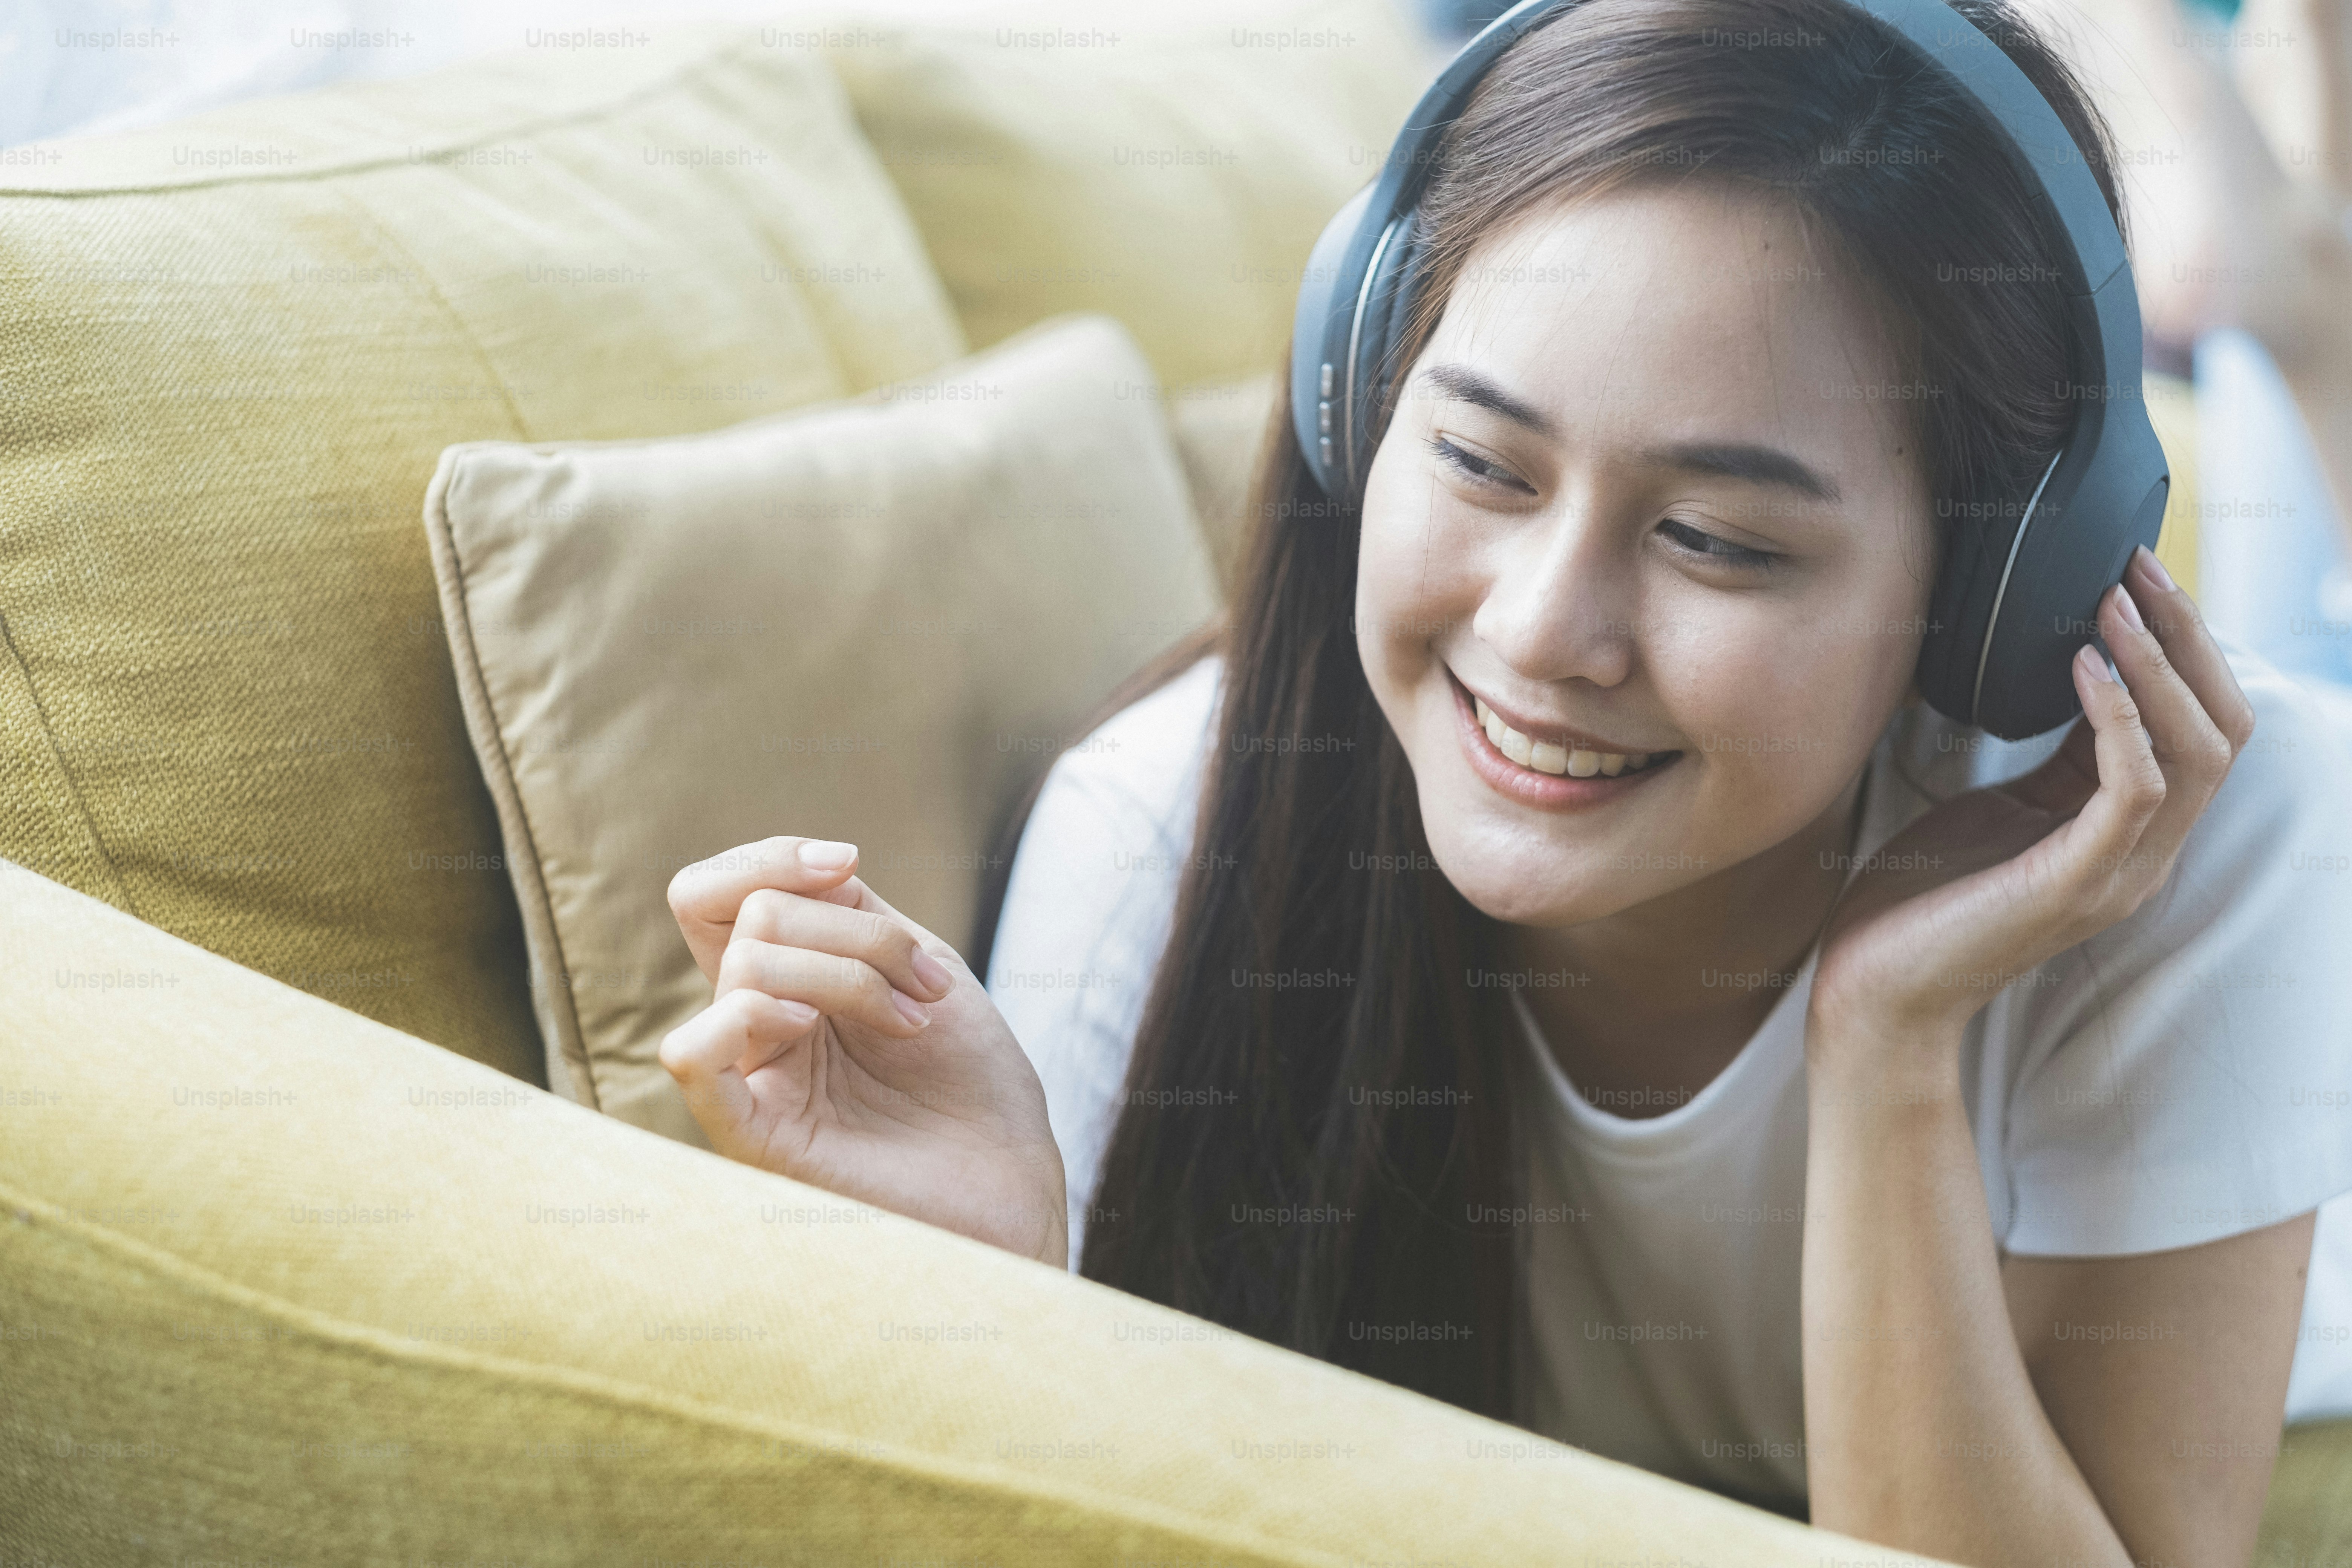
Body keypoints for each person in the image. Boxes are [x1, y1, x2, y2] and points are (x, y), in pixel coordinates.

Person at [655, 0, 2352, 1563]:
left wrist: (1887, 1041)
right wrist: (1023, 1306)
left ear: (1991, 590)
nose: (1545, 633)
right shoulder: (1163, 826)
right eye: (1479, 458)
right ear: (1361, 397)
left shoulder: (2205, 845)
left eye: (1716, 537)